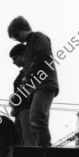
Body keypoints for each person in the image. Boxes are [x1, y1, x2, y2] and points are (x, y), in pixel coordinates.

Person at [7, 16, 59, 146]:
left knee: (36, 117)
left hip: (45, 84)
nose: (16, 39)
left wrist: (28, 75)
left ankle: (45, 149)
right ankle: (43, 148)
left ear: (23, 29)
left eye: (15, 35)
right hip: (39, 86)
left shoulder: (38, 37)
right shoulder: (29, 45)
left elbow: (43, 54)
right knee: (36, 119)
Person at [9, 43, 35, 145]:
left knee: (29, 141)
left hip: (27, 109)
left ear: (23, 55)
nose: (13, 62)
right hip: (19, 111)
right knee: (21, 142)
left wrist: (16, 97)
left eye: (15, 58)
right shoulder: (21, 75)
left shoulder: (32, 71)